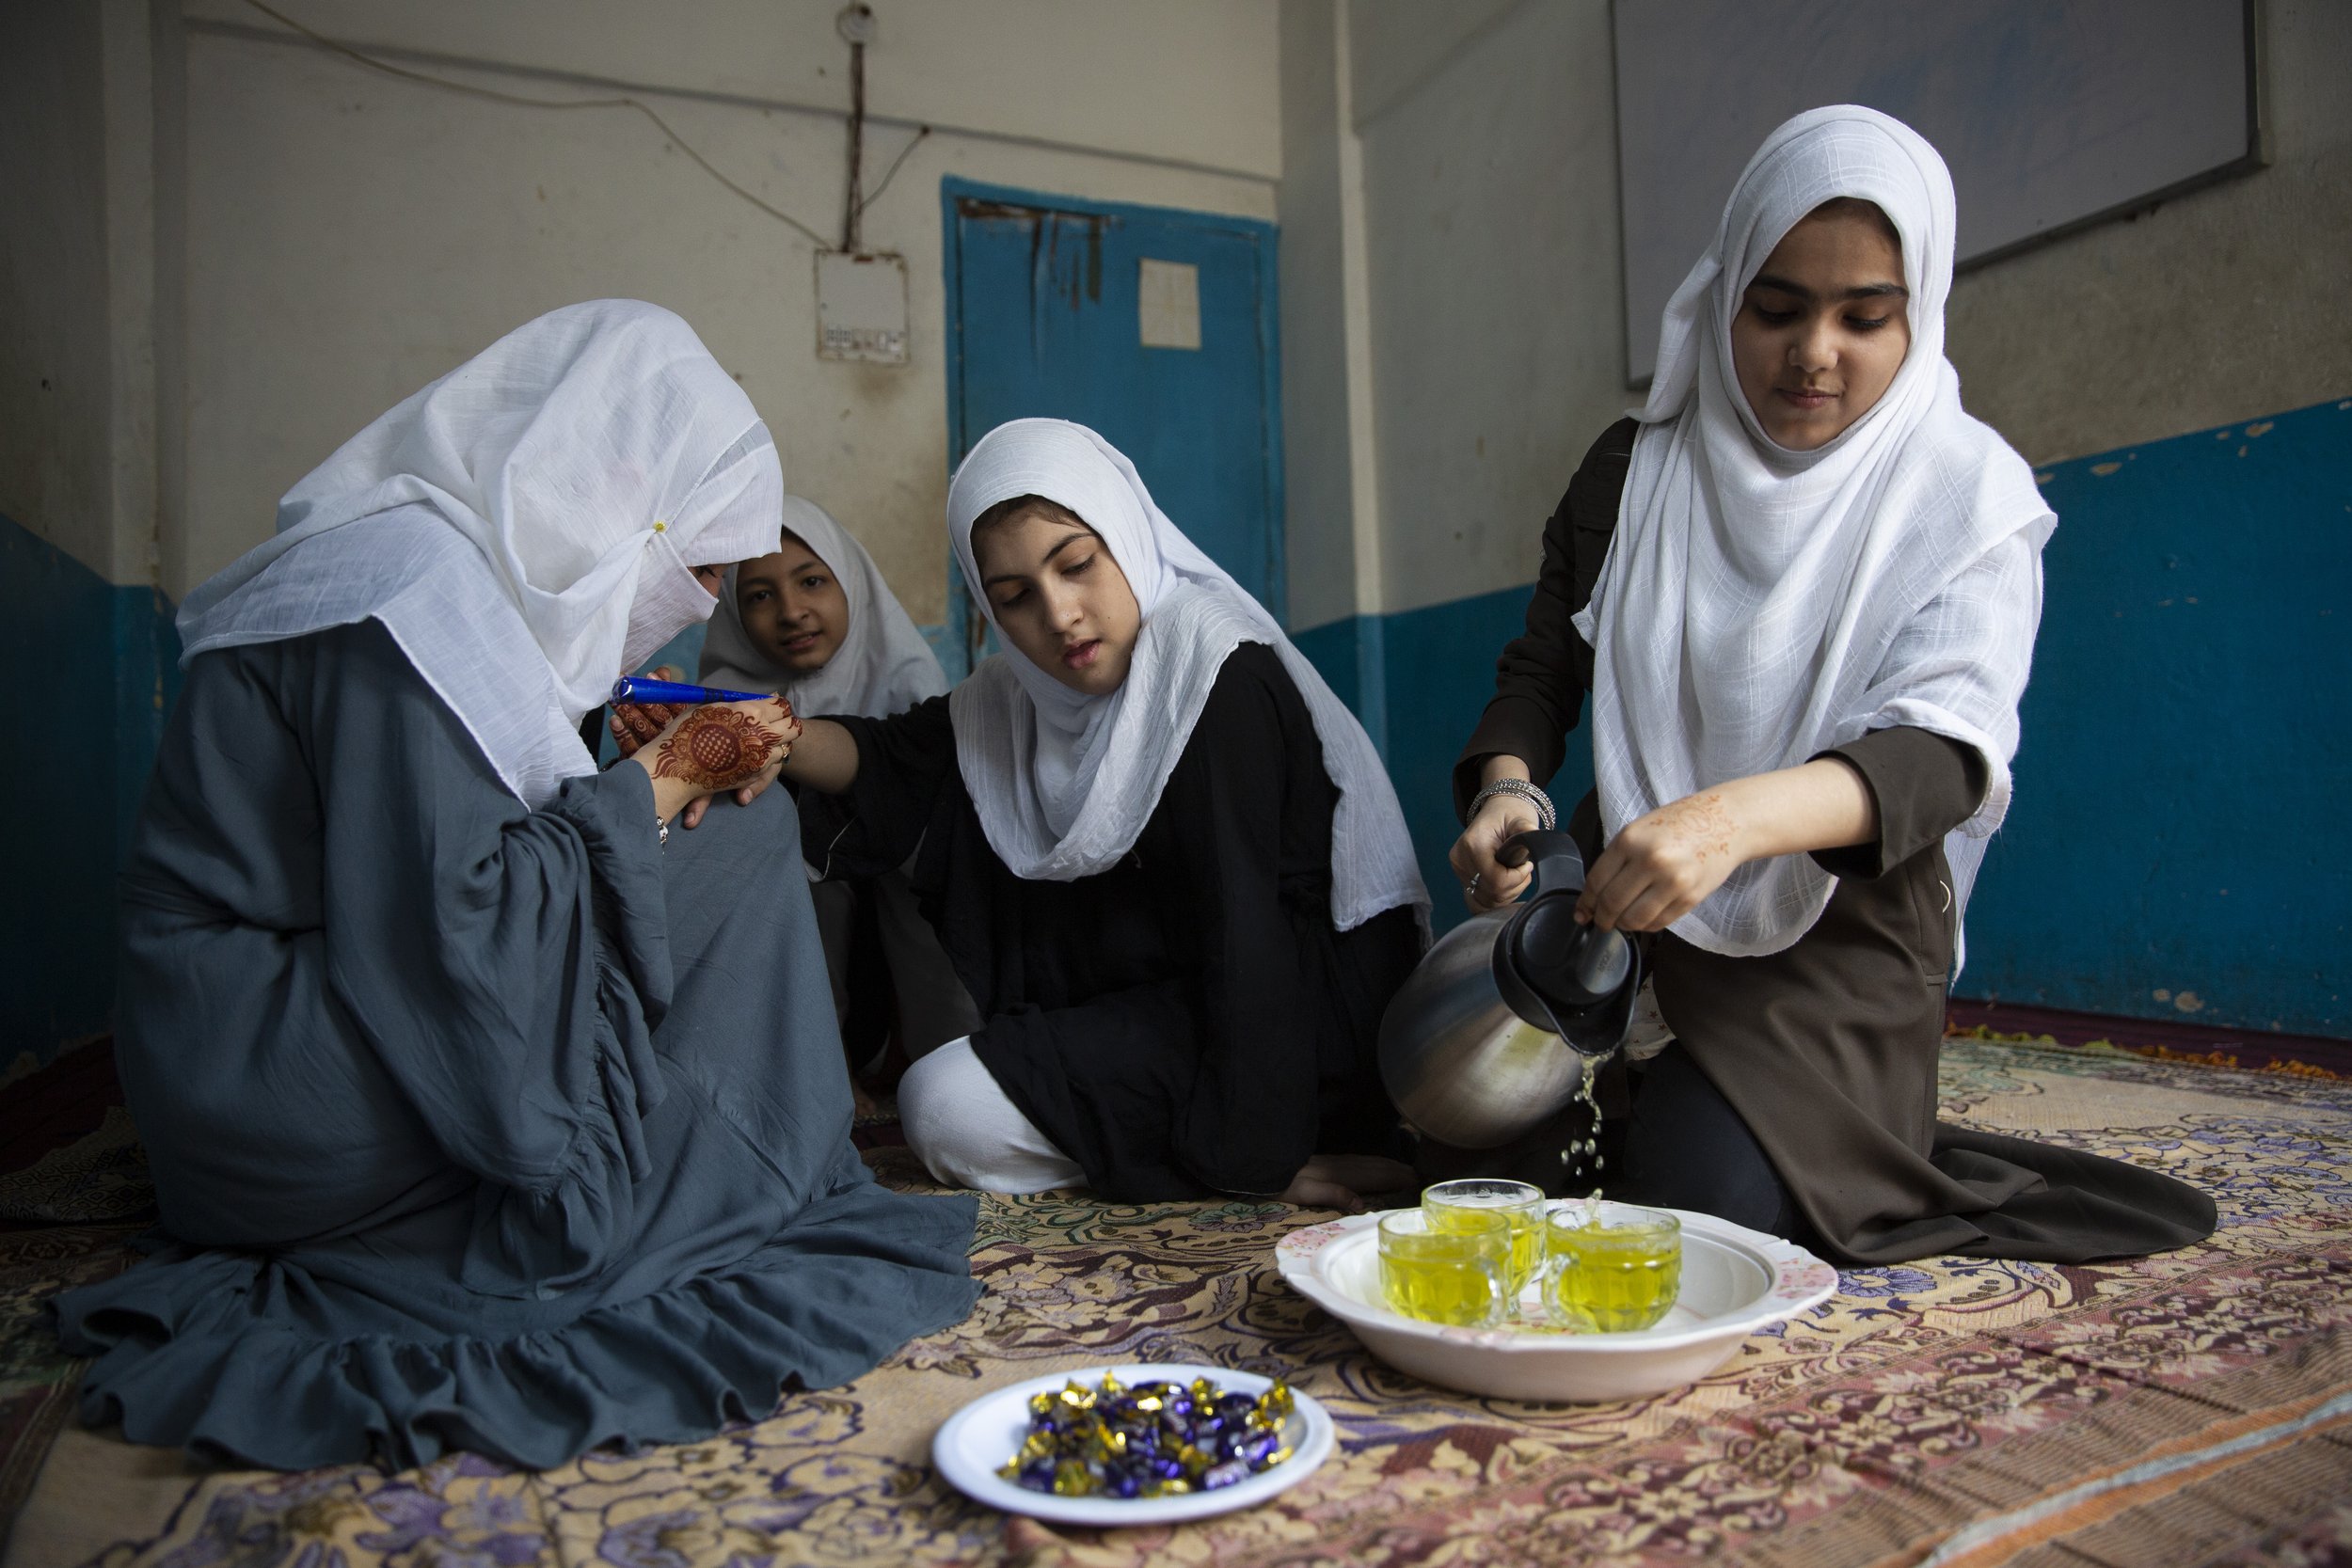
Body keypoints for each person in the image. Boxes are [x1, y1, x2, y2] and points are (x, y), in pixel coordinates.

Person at [51, 301, 980, 1471]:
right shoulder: (401, 605)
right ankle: (725, 1166)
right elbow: (460, 919)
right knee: (744, 838)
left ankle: (706, 1147)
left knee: (720, 827)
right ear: (619, 507)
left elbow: (447, 857)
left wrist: (642, 772)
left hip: (277, 1042)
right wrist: (673, 770)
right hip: (274, 1090)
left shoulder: (427, 580)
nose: (701, 603)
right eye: (698, 564)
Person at [1447, 107, 2215, 1264]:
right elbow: (1545, 668)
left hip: (1838, 932)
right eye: (1777, 307)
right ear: (1723, 298)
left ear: (1922, 311)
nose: (1815, 352)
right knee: (1465, 1153)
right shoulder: (1635, 472)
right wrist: (1509, 792)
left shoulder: (1962, 493)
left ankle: (1821, 1121)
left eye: (1865, 316)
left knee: (1693, 1214)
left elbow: (1938, 755)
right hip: (1631, 897)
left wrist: (1724, 822)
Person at [742, 419, 1429, 1209]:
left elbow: (1249, 933)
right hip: (1174, 1015)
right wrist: (767, 734)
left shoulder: (1210, 671)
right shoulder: (1015, 700)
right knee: (938, 1096)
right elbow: (896, 760)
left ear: (1125, 533)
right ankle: (1199, 1151)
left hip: (1289, 1028)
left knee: (943, 1106)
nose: (1060, 614)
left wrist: (1261, 1155)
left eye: (1077, 565)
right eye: (1014, 598)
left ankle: (1245, 1156)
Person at [693, 498, 976, 1070]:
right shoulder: (718, 712)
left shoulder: (916, 703)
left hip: (922, 1000)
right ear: (734, 614)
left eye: (813, 581)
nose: (792, 611)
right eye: (760, 595)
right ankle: (811, 1076)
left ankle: (949, 1070)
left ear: (853, 582)